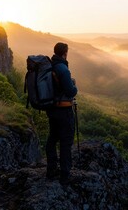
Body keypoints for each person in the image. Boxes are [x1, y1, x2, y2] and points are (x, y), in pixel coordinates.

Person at [45, 42, 78, 185]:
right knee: (66, 141)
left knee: (53, 138)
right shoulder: (62, 68)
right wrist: (74, 85)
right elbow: (71, 91)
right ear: (65, 53)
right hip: (63, 111)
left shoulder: (50, 65)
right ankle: (65, 175)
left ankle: (51, 170)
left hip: (51, 109)